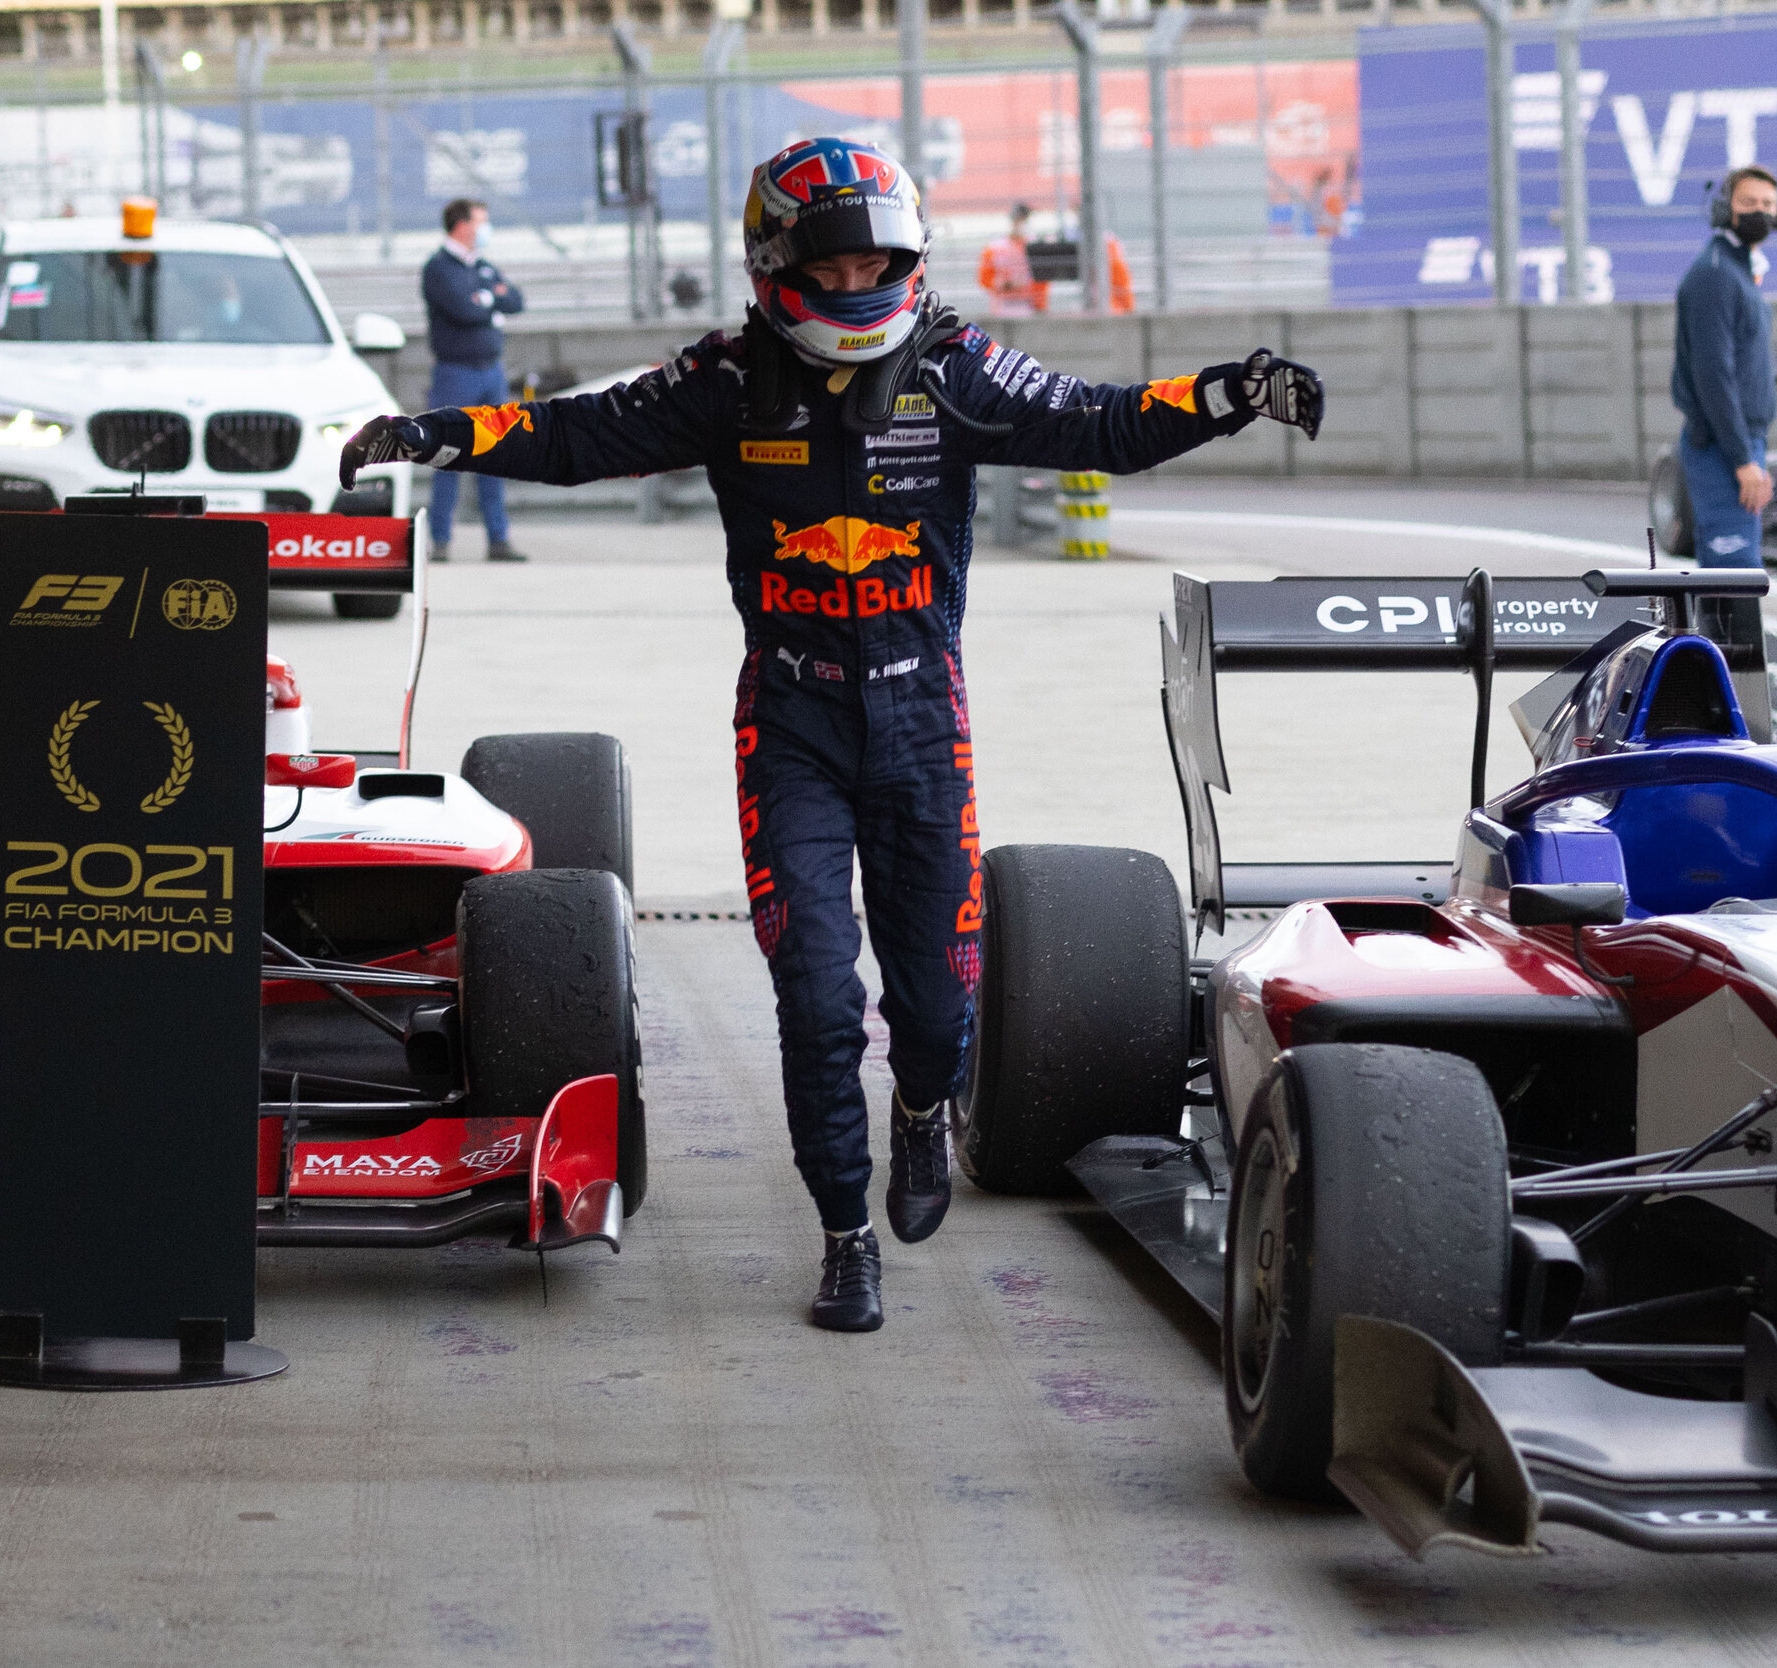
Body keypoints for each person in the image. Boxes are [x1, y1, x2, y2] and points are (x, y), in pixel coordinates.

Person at [344, 137, 1322, 1332]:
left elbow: (1103, 425)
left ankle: (922, 1109)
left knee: (933, 1007)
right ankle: (843, 1235)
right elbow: (575, 435)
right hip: (789, 720)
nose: (858, 281)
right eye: (834, 260)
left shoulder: (958, 365)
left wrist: (1235, 390)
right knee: (811, 993)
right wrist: (430, 433)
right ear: (775, 264)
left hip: (923, 720)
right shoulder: (725, 377)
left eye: (879, 259)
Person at [1671, 164, 1777, 569]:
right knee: (1733, 572)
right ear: (1724, 211)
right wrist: (1742, 461)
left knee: (1736, 575)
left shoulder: (1737, 272)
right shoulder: (1715, 276)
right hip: (1722, 447)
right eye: (1748, 202)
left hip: (1742, 442)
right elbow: (1713, 377)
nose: (1760, 211)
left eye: (1768, 204)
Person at [420, 197, 527, 562]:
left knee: (495, 454)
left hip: (491, 372)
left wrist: (487, 299)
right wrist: (488, 300)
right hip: (456, 373)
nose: (485, 228)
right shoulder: (438, 269)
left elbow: (515, 300)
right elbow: (464, 310)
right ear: (462, 225)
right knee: (449, 453)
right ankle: (440, 540)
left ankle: (498, 539)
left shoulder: (481, 266)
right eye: (481, 221)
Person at [978, 203, 1047, 318]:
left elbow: (1043, 278)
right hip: (1003, 306)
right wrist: (1003, 284)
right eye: (1017, 219)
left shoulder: (1036, 246)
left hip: (1030, 305)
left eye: (1023, 219)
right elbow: (984, 278)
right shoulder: (994, 248)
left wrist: (1039, 305)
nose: (1020, 223)